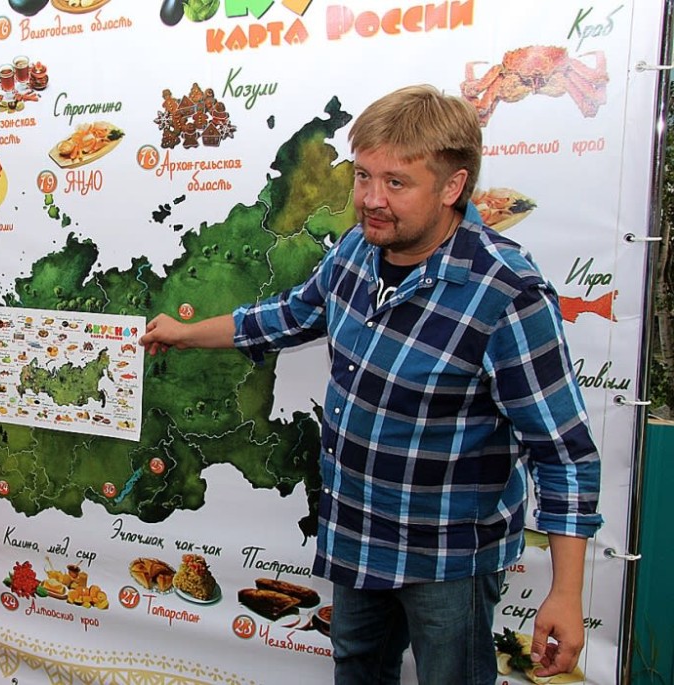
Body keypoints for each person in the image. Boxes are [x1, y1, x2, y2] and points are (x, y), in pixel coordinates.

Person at [139, 85, 602, 685]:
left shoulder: (506, 293)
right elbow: (289, 316)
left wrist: (566, 593)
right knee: (359, 671)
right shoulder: (357, 250)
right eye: (363, 176)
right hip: (357, 535)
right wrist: (186, 333)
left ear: (453, 187)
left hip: (449, 560)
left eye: (396, 183)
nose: (371, 200)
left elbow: (563, 454)